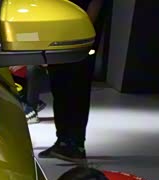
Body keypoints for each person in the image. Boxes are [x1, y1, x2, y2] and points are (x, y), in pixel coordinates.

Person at [38, 0, 108, 164]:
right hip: (61, 33)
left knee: (77, 88)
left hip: (80, 37)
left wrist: (84, 29)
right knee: (59, 87)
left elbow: (96, 3)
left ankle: (76, 145)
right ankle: (63, 141)